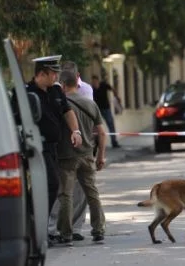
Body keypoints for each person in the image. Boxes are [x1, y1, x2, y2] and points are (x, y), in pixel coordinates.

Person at [25, 55, 83, 218]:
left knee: (48, 184)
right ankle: (33, 217)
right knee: (51, 183)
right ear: (41, 74)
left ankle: (38, 222)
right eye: (53, 73)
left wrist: (76, 131)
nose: (56, 77)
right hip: (35, 148)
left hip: (52, 148)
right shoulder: (26, 92)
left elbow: (67, 111)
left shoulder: (56, 90)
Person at [55, 70, 107, 246]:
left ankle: (66, 233)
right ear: (77, 84)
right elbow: (101, 133)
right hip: (87, 155)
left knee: (66, 195)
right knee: (92, 192)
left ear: (62, 84)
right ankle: (98, 230)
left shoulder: (60, 104)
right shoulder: (90, 104)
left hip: (66, 156)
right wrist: (101, 156)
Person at [48, 61, 93, 243]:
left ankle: (76, 228)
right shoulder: (55, 92)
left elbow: (90, 117)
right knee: (63, 191)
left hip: (83, 145)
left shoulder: (87, 90)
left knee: (81, 191)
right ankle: (55, 228)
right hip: (63, 147)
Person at [91, 75, 120, 148]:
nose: (94, 83)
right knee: (96, 127)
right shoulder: (92, 88)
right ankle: (96, 143)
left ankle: (114, 142)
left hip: (106, 108)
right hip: (97, 110)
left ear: (97, 80)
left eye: (95, 81)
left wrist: (116, 96)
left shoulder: (103, 85)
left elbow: (112, 88)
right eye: (93, 82)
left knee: (110, 124)